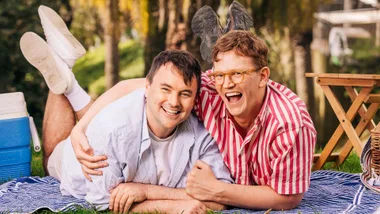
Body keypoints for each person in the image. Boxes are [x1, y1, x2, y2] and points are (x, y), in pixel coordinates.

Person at [20, 5, 233, 213]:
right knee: (50, 159)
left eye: (185, 94)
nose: (174, 101)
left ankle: (66, 71)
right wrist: (174, 204)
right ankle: (64, 69)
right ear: (147, 88)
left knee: (122, 128)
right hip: (81, 160)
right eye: (166, 89)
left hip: (121, 130)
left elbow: (221, 196)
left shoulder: (202, 133)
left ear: (196, 97)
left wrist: (145, 191)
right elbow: (105, 203)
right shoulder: (113, 130)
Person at [71, 31, 317, 210]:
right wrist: (79, 130)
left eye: (237, 74)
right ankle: (68, 84)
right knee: (54, 157)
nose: (227, 83)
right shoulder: (209, 90)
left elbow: (288, 198)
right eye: (221, 75)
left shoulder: (290, 124)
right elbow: (131, 87)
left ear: (263, 76)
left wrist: (217, 191)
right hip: (78, 157)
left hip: (234, 188)